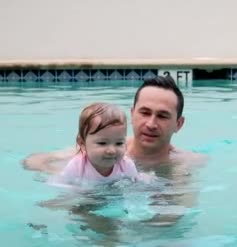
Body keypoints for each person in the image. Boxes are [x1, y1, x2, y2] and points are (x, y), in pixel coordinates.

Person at [23, 75, 206, 177]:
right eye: (144, 112)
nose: (151, 124)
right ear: (132, 114)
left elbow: (174, 216)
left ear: (179, 124)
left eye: (162, 116)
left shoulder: (185, 163)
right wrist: (71, 177)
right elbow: (33, 161)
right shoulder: (99, 147)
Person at [57, 102, 139, 183]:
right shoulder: (76, 167)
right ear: (82, 143)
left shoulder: (126, 166)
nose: (112, 151)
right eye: (102, 143)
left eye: (119, 143)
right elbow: (66, 190)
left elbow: (135, 187)